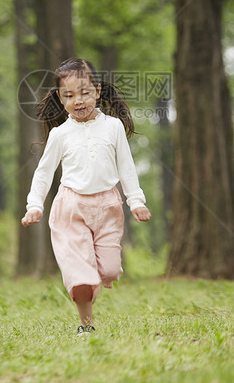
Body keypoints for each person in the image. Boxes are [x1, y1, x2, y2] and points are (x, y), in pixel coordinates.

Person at [21, 57, 151, 334]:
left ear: (98, 91)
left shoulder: (113, 127)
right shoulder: (60, 134)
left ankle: (94, 280)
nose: (78, 101)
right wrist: (35, 205)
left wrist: (136, 201)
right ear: (60, 97)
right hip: (71, 208)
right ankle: (86, 325)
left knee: (110, 271)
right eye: (69, 95)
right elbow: (43, 173)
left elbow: (126, 168)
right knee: (81, 277)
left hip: (107, 207)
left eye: (84, 93)